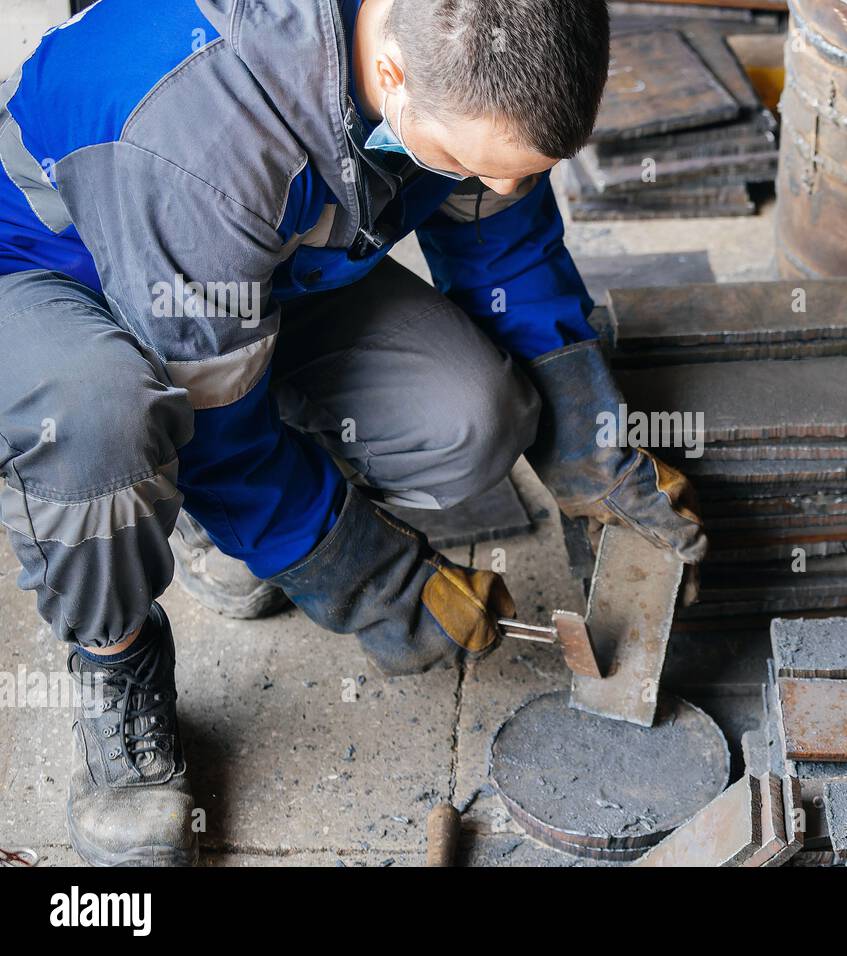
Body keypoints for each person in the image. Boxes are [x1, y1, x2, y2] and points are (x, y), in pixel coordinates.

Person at [0, 0, 705, 866]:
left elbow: (508, 253)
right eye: (466, 162)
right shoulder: (206, 138)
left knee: (474, 414)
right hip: (50, 271)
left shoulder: (460, 53)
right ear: (393, 78)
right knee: (107, 421)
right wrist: (379, 585)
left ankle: (239, 508)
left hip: (249, 271)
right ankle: (117, 657)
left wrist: (591, 451)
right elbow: (219, 433)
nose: (500, 188)